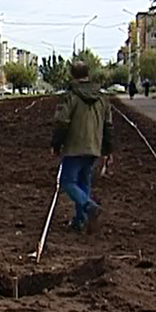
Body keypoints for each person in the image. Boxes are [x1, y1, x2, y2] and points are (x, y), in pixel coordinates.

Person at [51, 61, 114, 234]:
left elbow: (61, 122)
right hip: (94, 147)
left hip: (74, 147)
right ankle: (80, 221)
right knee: (84, 181)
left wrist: (56, 144)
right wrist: (107, 150)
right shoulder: (102, 98)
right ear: (88, 74)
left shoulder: (70, 97)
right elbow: (108, 125)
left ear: (72, 75)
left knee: (67, 182)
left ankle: (88, 206)